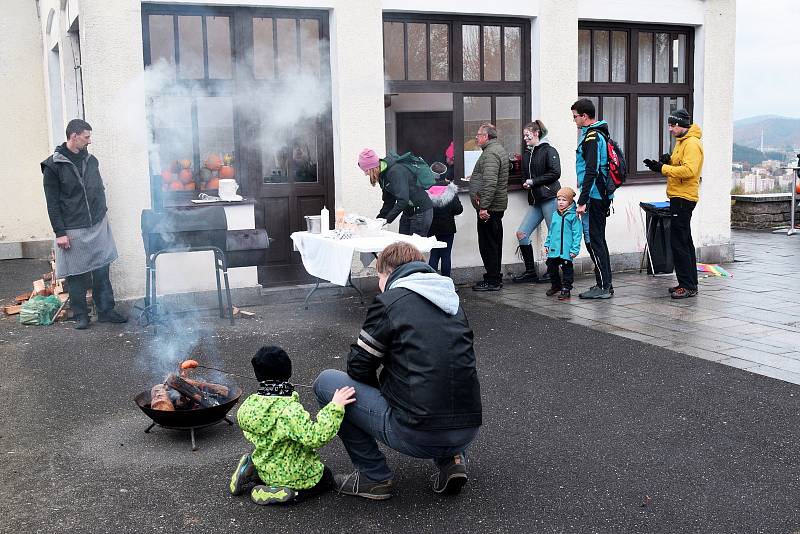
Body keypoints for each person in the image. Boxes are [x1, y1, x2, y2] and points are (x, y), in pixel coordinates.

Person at [313, 242, 482, 500]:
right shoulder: (452, 301)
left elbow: (358, 366)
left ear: (388, 273)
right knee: (443, 376)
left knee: (329, 383)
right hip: (467, 429)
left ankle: (373, 476)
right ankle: (452, 460)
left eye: (379, 277)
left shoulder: (390, 302)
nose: (379, 283)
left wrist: (378, 392)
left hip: (417, 433)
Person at [230, 346, 356, 505]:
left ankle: (252, 469)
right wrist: (335, 407)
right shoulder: (289, 411)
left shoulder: (249, 405)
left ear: (257, 374)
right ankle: (285, 493)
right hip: (294, 475)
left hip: (266, 468)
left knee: (269, 459)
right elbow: (315, 436)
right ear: (288, 372)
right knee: (326, 477)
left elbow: (249, 430)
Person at [41, 119, 127, 330]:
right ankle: (81, 315)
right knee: (76, 273)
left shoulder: (91, 160)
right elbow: (52, 203)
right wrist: (59, 232)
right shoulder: (53, 166)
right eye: (86, 137)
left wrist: (102, 212)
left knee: (101, 269)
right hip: (72, 227)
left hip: (97, 223)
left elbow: (99, 188)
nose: (89, 141)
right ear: (74, 136)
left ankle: (106, 311)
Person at [643, 109, 704, 299]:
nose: (670, 129)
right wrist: (667, 161)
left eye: (672, 125)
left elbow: (689, 171)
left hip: (684, 198)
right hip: (679, 196)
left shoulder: (692, 144)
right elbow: (680, 165)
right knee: (684, 241)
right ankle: (688, 282)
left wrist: (663, 168)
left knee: (679, 243)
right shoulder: (682, 142)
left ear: (680, 125)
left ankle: (687, 286)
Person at [571, 99, 613, 299]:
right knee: (596, 239)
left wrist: (582, 201)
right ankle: (603, 284)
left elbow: (591, 171)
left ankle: (604, 286)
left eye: (575, 117)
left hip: (595, 196)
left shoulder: (592, 137)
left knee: (595, 240)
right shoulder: (596, 134)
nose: (574, 121)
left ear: (584, 116)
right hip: (598, 195)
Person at [513, 120, 562, 284]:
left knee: (553, 235)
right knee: (522, 233)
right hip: (536, 200)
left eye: (527, 135)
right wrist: (525, 182)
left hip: (549, 198)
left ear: (536, 133)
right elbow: (525, 175)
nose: (525, 138)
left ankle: (553, 271)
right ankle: (530, 272)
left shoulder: (549, 150)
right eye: (524, 136)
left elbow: (555, 173)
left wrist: (533, 182)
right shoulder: (528, 153)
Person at [468, 123, 509, 291]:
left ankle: (492, 280)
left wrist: (483, 207)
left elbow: (491, 183)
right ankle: (494, 277)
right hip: (494, 206)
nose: (476, 137)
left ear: (486, 137)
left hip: (490, 208)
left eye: (479, 134)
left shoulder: (491, 154)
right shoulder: (496, 150)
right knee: (493, 243)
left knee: (489, 245)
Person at [358, 148, 434, 236]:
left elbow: (403, 200)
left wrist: (387, 219)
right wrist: (379, 220)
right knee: (402, 246)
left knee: (414, 247)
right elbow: (389, 201)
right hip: (408, 211)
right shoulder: (382, 175)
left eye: (366, 170)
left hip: (421, 211)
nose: (365, 174)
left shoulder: (395, 172)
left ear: (372, 168)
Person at [544, 187, 582, 301]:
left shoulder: (573, 216)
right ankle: (556, 285)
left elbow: (577, 234)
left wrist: (575, 249)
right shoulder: (555, 214)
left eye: (564, 200)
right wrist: (547, 243)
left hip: (566, 249)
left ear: (570, 201)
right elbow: (551, 230)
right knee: (551, 266)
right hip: (554, 248)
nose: (560, 202)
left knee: (567, 269)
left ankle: (566, 288)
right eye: (559, 199)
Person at [427, 174, 463, 278]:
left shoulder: (428, 190)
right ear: (446, 176)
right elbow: (458, 209)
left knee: (434, 255)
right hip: (447, 228)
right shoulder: (450, 191)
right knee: (446, 255)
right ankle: (446, 281)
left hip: (432, 228)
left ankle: (431, 281)